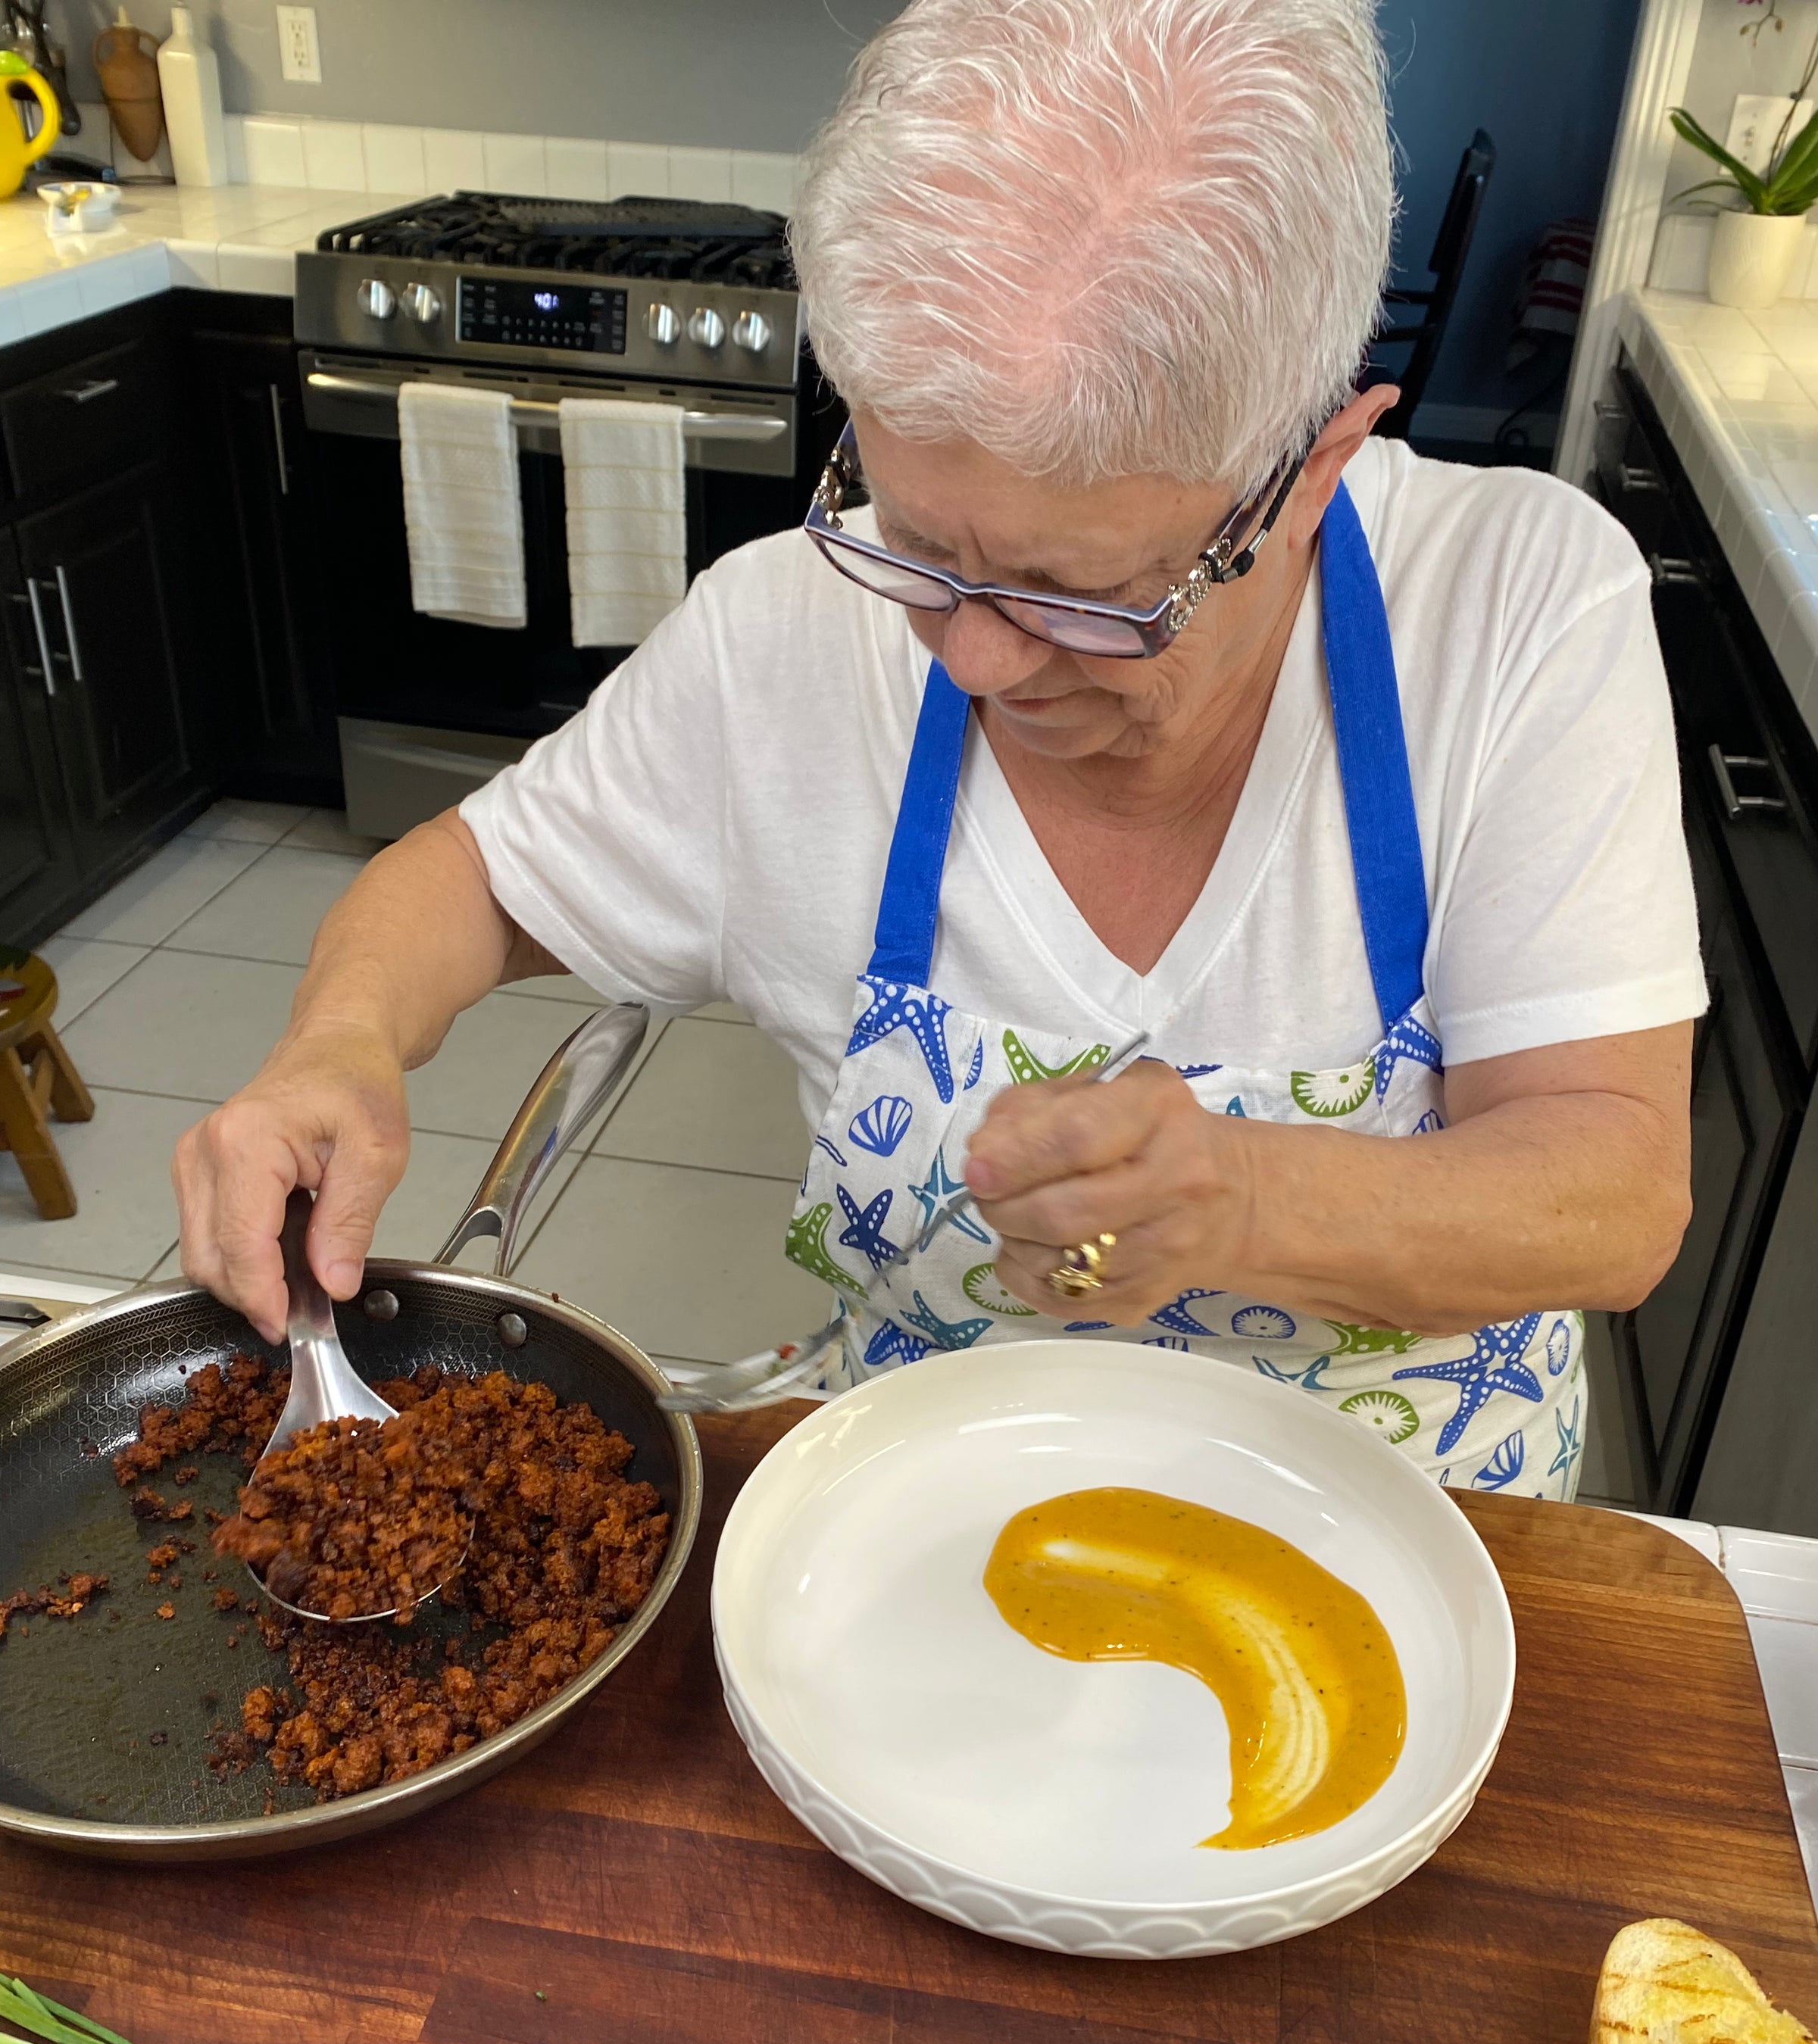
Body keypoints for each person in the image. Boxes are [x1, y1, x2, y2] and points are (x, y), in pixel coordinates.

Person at [174, 0, 1702, 1499]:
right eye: (915, 540)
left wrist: (1245, 1196)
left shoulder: (1520, 612)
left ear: (1312, 472)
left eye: (1087, 595)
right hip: (918, 1553)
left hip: (1423, 1563)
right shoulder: (782, 636)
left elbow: (1612, 1192)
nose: (973, 654)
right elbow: (473, 881)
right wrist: (341, 1042)